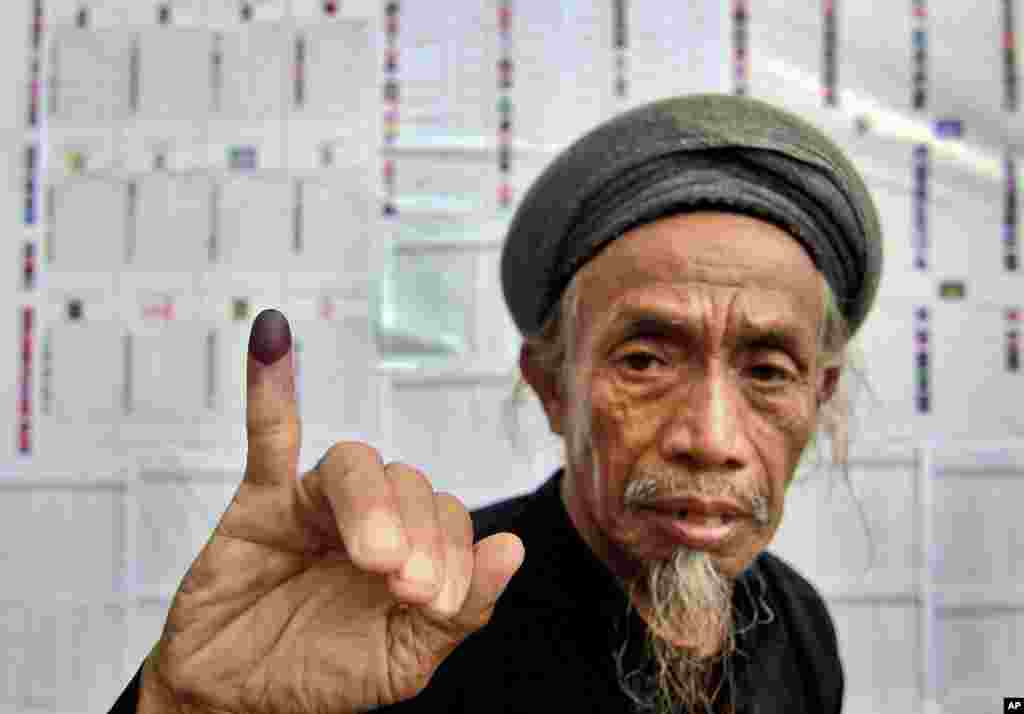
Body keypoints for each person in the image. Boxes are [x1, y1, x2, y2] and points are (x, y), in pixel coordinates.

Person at [109, 93, 882, 714]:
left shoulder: (799, 625)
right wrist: (180, 705)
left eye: (769, 372)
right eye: (644, 359)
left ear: (821, 396)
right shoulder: (400, 629)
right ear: (553, 387)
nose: (712, 439)